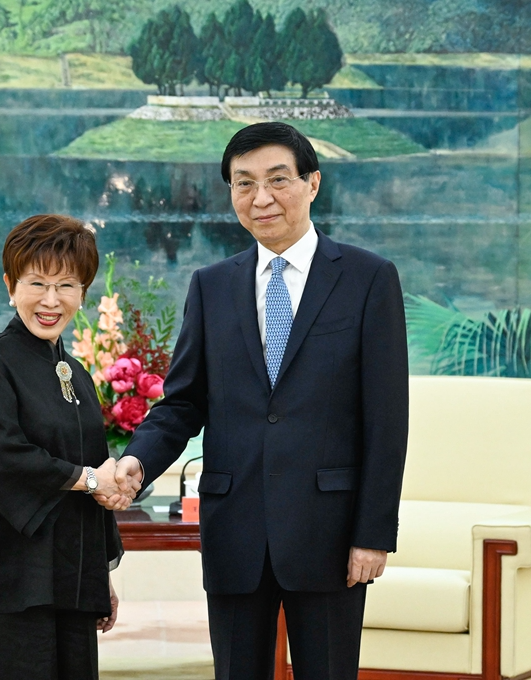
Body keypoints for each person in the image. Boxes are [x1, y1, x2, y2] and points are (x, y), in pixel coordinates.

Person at [113, 122, 409, 680]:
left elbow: (387, 420)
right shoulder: (211, 285)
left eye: (278, 180)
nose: (261, 198)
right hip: (235, 530)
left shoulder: (368, 279)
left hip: (329, 531)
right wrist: (138, 461)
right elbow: (182, 404)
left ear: (312, 183)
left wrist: (373, 535)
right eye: (244, 183)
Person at [0, 214, 139, 680]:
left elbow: (92, 469)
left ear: (83, 292)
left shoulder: (78, 375)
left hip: (66, 583)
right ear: (10, 285)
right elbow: (3, 459)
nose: (50, 300)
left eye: (66, 285)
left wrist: (98, 577)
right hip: (2, 582)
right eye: (36, 283)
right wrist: (91, 479)